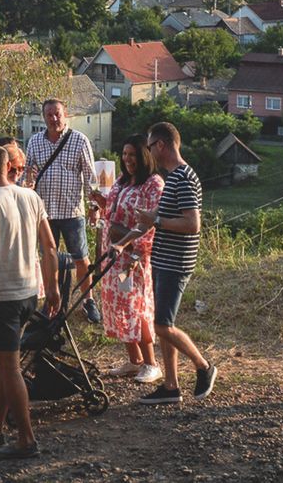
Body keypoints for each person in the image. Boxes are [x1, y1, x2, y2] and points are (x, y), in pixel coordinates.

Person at [0, 144, 61, 459]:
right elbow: (50, 246)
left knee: (9, 368)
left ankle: (26, 439)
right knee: (2, 363)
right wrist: (53, 287)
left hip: (2, 296)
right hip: (29, 291)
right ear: (9, 167)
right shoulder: (31, 197)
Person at [135, 122, 217, 405]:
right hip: (163, 259)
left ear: (160, 145)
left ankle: (203, 366)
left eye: (150, 147)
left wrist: (156, 220)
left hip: (175, 261)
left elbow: (192, 224)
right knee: (164, 322)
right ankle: (171, 386)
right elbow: (163, 216)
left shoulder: (183, 177)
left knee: (162, 326)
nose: (149, 153)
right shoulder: (174, 178)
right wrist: (148, 219)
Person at [89, 135, 163, 384]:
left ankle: (151, 363)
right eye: (124, 154)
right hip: (113, 255)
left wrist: (131, 245)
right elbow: (114, 212)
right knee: (119, 306)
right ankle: (134, 360)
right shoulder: (121, 180)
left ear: (144, 156)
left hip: (133, 257)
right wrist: (101, 203)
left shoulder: (153, 184)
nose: (127, 159)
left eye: (133, 154)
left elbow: (153, 224)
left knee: (136, 306)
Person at [25, 98, 101, 323]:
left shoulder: (79, 140)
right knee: (48, 259)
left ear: (65, 114)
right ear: (43, 117)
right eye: (49, 114)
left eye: (57, 113)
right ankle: (52, 301)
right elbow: (27, 173)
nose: (54, 118)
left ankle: (88, 300)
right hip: (44, 214)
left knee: (81, 258)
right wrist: (27, 184)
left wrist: (94, 207)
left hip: (72, 212)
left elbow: (90, 177)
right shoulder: (35, 142)